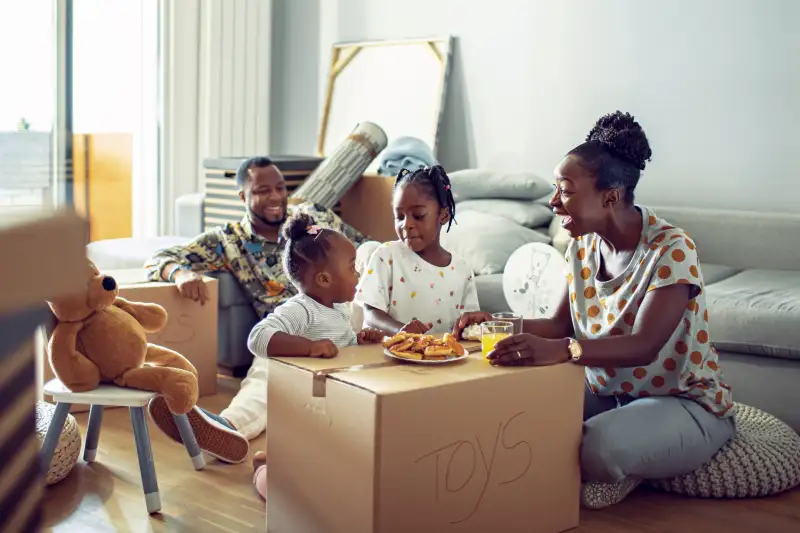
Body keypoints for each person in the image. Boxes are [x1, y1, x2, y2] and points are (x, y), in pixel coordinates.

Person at [454, 111, 735, 509]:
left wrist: (566, 350)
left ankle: (626, 462)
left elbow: (644, 346)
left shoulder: (671, 248)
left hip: (683, 400)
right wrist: (495, 324)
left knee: (598, 448)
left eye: (565, 191)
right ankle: (627, 449)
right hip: (608, 393)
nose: (554, 202)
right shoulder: (581, 246)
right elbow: (556, 323)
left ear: (610, 196)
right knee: (511, 412)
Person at [144, 156, 367, 464]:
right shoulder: (227, 240)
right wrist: (181, 274)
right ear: (243, 197)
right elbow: (161, 256)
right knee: (264, 372)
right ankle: (224, 429)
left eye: (280, 187)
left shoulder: (314, 216)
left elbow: (365, 247)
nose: (276, 197)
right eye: (263, 190)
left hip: (340, 312)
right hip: (287, 329)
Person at [247, 212, 385, 499]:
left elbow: (338, 351)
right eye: (352, 268)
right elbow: (257, 338)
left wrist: (358, 342)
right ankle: (264, 471)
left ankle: (272, 459)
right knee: (289, 489)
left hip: (336, 411)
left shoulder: (338, 308)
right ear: (324, 278)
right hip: (306, 413)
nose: (358, 275)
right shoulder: (302, 309)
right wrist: (309, 347)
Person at [356, 165, 482, 335]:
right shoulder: (386, 256)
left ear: (443, 216)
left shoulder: (461, 269)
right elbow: (371, 314)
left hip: (440, 357)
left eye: (418, 215)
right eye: (399, 217)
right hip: (390, 355)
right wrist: (401, 331)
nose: (406, 225)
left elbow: (469, 322)